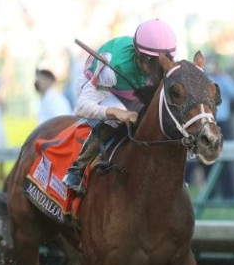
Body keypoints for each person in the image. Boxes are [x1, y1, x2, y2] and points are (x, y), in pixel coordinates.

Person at [62, 19, 178, 194]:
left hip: (132, 91)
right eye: (152, 62)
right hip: (100, 88)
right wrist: (116, 113)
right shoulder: (113, 67)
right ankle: (77, 168)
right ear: (139, 55)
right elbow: (82, 107)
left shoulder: (161, 63)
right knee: (121, 117)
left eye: (162, 61)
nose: (157, 69)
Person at [185, 56, 234, 200]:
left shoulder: (223, 79)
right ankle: (210, 195)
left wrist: (221, 75)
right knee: (205, 158)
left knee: (226, 160)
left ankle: (229, 195)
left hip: (223, 122)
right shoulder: (200, 81)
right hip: (207, 122)